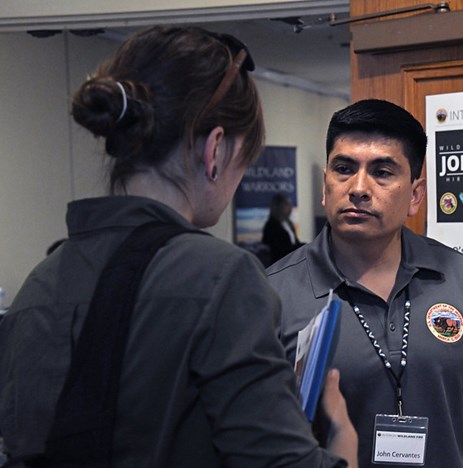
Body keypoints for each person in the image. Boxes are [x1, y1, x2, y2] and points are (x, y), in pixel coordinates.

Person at [0, 26, 357, 467]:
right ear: (216, 150)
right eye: (245, 160)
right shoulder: (221, 277)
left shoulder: (40, 284)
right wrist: (341, 434)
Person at [267, 99, 463, 468]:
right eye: (343, 168)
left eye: (382, 172)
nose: (358, 188)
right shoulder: (272, 293)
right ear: (325, 186)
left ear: (415, 195)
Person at [262, 193, 304, 264]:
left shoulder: (289, 223)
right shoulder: (271, 226)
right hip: (279, 264)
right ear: (279, 207)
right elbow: (279, 248)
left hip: (291, 262)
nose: (290, 207)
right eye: (287, 204)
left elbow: (295, 242)